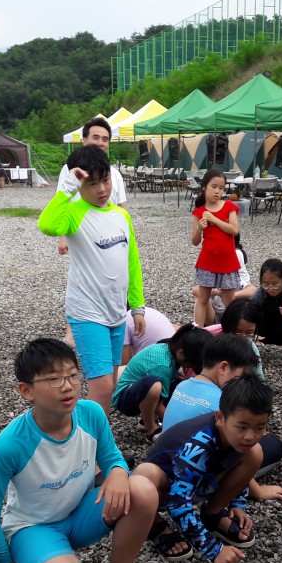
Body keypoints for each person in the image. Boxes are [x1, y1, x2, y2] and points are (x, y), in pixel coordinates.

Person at [0, 339, 162, 563]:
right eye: (53, 379)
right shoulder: (11, 444)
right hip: (33, 527)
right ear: (26, 390)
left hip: (80, 514)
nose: (67, 386)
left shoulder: (91, 414)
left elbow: (113, 458)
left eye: (73, 375)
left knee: (142, 490)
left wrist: (117, 472)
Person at [38, 145, 146, 415]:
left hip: (117, 314)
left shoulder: (121, 216)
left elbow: (132, 263)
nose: (101, 189)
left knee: (109, 382)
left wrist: (138, 306)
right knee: (101, 387)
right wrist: (67, 187)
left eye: (105, 180)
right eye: (92, 183)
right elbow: (47, 224)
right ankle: (88, 449)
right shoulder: (74, 213)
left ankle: (97, 444)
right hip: (87, 313)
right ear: (79, 184)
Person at [133, 374, 273, 563]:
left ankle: (213, 513)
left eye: (260, 428)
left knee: (255, 453)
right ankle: (155, 525)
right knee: (145, 473)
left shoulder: (237, 437)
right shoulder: (200, 444)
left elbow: (238, 465)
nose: (250, 436)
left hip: (201, 481)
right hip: (168, 489)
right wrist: (214, 550)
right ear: (220, 418)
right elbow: (177, 500)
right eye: (242, 427)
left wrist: (237, 505)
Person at [163, 334, 282, 502]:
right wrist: (256, 490)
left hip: (167, 464)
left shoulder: (184, 384)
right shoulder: (220, 402)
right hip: (191, 475)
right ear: (223, 368)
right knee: (272, 447)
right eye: (241, 376)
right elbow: (236, 448)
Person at [57, 117, 128, 346]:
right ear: (84, 139)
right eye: (95, 137)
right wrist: (62, 237)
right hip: (80, 233)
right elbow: (61, 205)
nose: (100, 142)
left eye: (105, 139)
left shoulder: (114, 174)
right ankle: (73, 327)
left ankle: (112, 322)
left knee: (112, 277)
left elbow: (121, 207)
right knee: (80, 279)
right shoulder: (71, 171)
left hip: (108, 235)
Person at [113, 324, 210, 442]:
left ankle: (149, 417)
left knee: (179, 384)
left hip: (140, 390)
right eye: (193, 363)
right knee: (154, 387)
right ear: (181, 353)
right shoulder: (163, 365)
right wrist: (179, 425)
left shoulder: (170, 348)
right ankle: (150, 427)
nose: (192, 367)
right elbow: (158, 402)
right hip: (124, 398)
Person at [191, 169, 241, 328]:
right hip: (207, 261)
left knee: (230, 302)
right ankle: (197, 331)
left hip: (228, 261)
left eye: (221, 188)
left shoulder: (229, 206)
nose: (217, 191)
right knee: (203, 299)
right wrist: (199, 227)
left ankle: (232, 332)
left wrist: (214, 219)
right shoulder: (199, 212)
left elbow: (234, 230)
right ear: (204, 187)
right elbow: (195, 241)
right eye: (214, 187)